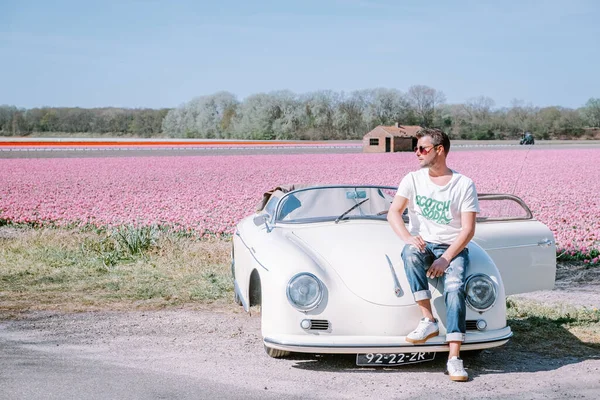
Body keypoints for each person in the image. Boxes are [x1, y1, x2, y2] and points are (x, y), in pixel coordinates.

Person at [387, 128, 479, 382]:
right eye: (415, 149)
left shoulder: (463, 184)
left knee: (455, 286)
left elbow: (468, 229)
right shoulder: (413, 179)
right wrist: (408, 237)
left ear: (439, 150)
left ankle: (454, 358)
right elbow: (394, 212)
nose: (417, 153)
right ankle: (428, 319)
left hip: (451, 247)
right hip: (424, 244)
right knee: (409, 253)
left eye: (422, 149)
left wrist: (446, 258)